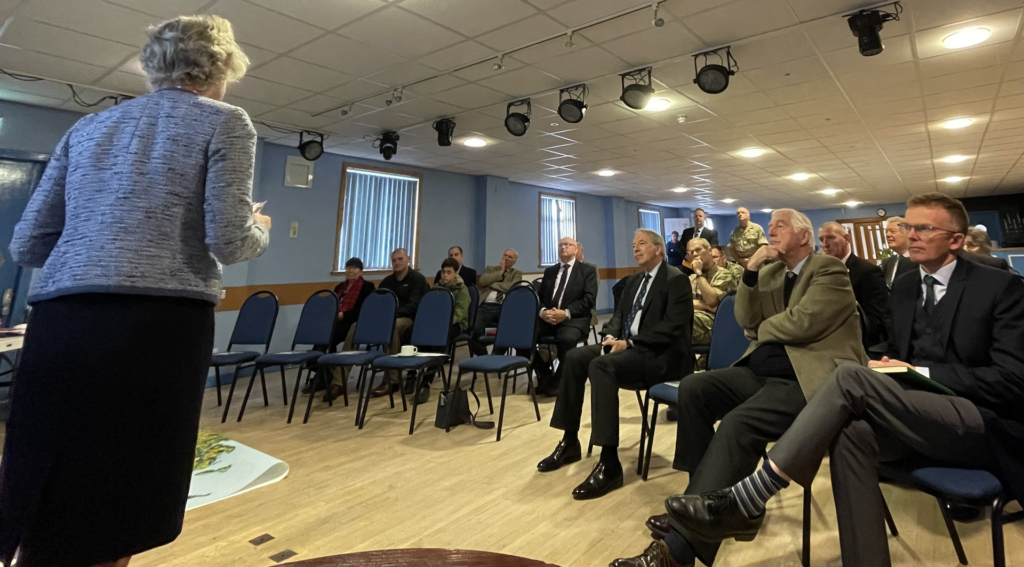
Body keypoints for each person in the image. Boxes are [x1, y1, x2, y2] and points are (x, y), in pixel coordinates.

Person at [0, 15, 270, 566]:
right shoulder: (227, 121)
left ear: (152, 68)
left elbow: (27, 245)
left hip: (60, 323)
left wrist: (97, 240)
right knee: (117, 506)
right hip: (155, 330)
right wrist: (260, 230)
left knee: (43, 495)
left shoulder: (87, 128)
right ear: (222, 69)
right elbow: (228, 239)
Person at [656, 194, 1024, 567]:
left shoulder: (999, 287)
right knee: (849, 434)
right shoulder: (908, 286)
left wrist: (916, 373)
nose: (909, 235)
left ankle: (753, 494)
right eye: (907, 227)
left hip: (977, 423)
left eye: (923, 228)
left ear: (956, 240)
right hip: (914, 414)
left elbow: (1012, 381)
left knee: (849, 374)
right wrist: (893, 367)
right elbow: (900, 352)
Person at [613, 210, 867, 567]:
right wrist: (750, 273)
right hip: (759, 370)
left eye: (780, 225)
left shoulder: (828, 270)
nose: (771, 231)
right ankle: (696, 502)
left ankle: (678, 550)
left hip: (807, 379)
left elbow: (802, 324)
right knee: (695, 389)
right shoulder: (774, 271)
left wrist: (761, 330)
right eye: (771, 225)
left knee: (738, 423)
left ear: (804, 237)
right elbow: (745, 318)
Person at [538, 229, 692, 500]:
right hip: (627, 348)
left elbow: (673, 328)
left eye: (642, 244)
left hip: (658, 356)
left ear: (658, 249)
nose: (635, 249)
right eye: (633, 245)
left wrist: (630, 344)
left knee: (601, 365)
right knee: (575, 357)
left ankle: (609, 462)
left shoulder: (676, 280)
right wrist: (610, 335)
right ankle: (569, 440)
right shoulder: (633, 282)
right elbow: (619, 316)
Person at [533, 238, 598, 396]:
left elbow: (589, 300)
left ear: (576, 250)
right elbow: (539, 298)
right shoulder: (550, 271)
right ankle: (545, 374)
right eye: (561, 245)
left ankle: (558, 380)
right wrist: (543, 312)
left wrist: (566, 313)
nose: (564, 247)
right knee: (522, 336)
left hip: (573, 319)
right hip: (548, 318)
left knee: (567, 339)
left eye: (568, 245)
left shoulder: (587, 271)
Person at [818, 222, 890, 349]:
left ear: (847, 239)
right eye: (821, 239)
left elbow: (876, 318)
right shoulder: (819, 273)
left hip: (858, 344)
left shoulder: (867, 271)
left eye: (830, 237)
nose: (825, 244)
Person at [369, 248, 430, 397]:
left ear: (408, 259)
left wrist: (391, 315)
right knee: (355, 328)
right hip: (388, 319)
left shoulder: (417, 279)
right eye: (394, 260)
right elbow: (378, 302)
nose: (397, 262)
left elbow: (413, 306)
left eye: (400, 259)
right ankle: (339, 381)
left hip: (409, 319)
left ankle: (392, 380)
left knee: (392, 327)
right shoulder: (387, 281)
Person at [412, 258, 471, 403]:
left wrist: (443, 323)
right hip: (435, 324)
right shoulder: (435, 289)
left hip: (455, 324)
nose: (445, 275)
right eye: (443, 272)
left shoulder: (462, 290)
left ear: (456, 274)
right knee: (415, 334)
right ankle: (412, 375)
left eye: (449, 272)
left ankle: (426, 383)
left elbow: (460, 313)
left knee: (440, 338)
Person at [322, 258, 375, 402]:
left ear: (361, 271)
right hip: (337, 321)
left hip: (354, 322)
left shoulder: (367, 287)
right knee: (322, 337)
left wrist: (343, 315)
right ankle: (322, 375)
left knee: (331, 336)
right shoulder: (339, 287)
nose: (351, 270)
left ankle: (334, 379)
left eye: (355, 268)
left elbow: (364, 310)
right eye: (348, 267)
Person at [469, 249, 522, 357]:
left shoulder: (517, 273)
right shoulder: (490, 269)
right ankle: (483, 356)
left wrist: (492, 284)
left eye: (510, 257)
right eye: (505, 255)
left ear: (515, 260)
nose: (506, 258)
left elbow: (512, 286)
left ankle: (496, 356)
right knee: (473, 329)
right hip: (485, 306)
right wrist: (500, 272)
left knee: (507, 330)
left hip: (504, 307)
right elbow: (483, 282)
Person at [686, 238, 735, 346]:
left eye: (698, 250)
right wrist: (705, 306)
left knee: (683, 320)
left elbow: (712, 301)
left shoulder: (724, 275)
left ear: (709, 251)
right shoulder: (691, 279)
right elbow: (682, 304)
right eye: (691, 252)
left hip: (717, 326)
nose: (694, 254)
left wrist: (699, 272)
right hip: (697, 323)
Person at [881, 216, 916, 288]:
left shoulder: (919, 260)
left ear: (908, 234)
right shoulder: (888, 262)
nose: (888, 235)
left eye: (893, 231)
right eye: (886, 232)